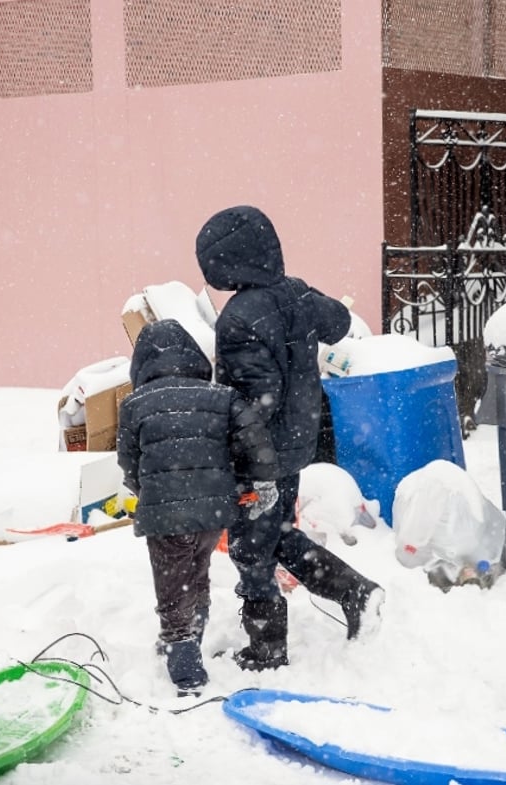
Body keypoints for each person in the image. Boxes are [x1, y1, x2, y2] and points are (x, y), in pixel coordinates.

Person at [195, 204, 385, 672]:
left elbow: (256, 399)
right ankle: (357, 593)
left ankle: (267, 647)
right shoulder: (294, 293)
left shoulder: (239, 317)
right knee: (278, 535)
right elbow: (339, 323)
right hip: (298, 444)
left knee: (249, 548)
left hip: (261, 457)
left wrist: (237, 455)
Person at [116, 318, 279, 696]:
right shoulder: (220, 396)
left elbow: (128, 459)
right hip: (213, 509)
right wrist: (263, 480)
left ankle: (184, 663)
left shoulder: (135, 404)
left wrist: (147, 490)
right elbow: (254, 436)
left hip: (165, 514)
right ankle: (193, 632)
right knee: (197, 569)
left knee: (171, 581)